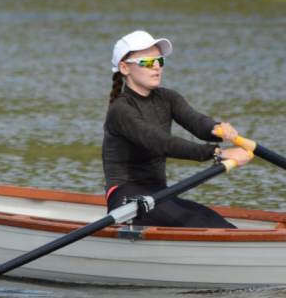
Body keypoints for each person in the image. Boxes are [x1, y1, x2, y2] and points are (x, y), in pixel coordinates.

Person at [103, 30, 252, 228]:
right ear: (124, 67)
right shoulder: (121, 110)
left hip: (160, 195)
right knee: (201, 225)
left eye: (160, 60)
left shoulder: (168, 98)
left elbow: (197, 122)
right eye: (147, 61)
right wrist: (219, 153)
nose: (156, 66)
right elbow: (160, 142)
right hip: (126, 199)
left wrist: (217, 128)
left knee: (222, 225)